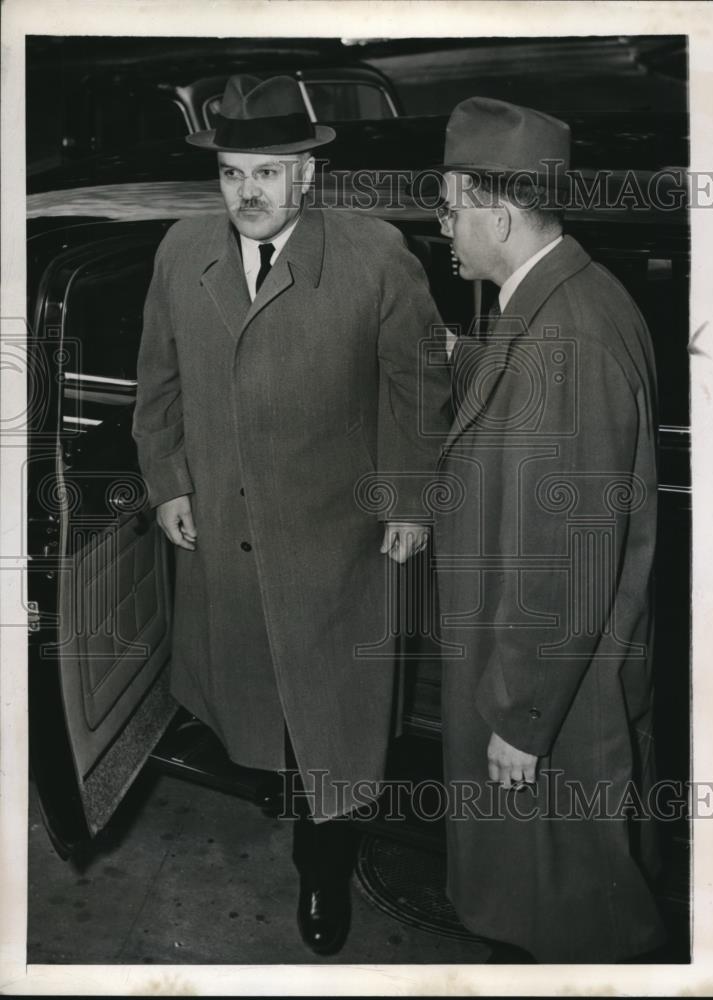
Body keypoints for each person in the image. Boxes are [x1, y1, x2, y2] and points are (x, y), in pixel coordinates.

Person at [133, 74, 452, 956]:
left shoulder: (376, 254)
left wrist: (413, 500)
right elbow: (156, 387)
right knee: (253, 700)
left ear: (307, 177)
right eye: (234, 173)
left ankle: (325, 870)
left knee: (331, 724)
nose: (248, 193)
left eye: (267, 174)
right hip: (226, 543)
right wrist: (168, 482)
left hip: (335, 538)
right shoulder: (179, 251)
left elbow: (420, 389)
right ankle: (280, 784)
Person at [431, 97, 668, 962]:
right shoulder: (567, 298)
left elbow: (568, 558)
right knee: (554, 895)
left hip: (546, 695)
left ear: (496, 213)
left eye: (451, 208)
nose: (444, 227)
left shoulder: (563, 338)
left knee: (572, 915)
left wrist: (523, 720)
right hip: (550, 674)